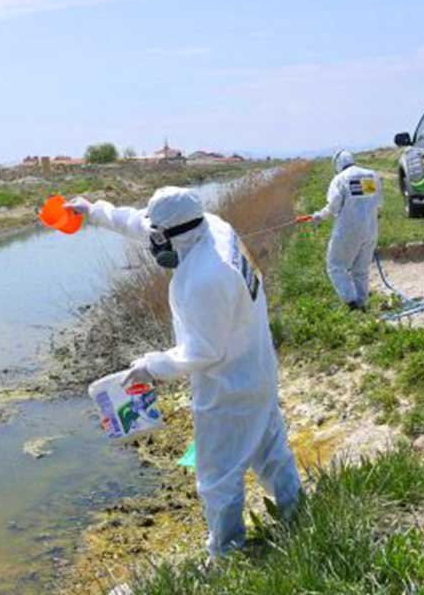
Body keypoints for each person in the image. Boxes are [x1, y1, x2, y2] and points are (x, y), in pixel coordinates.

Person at [65, 187, 302, 559]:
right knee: (271, 450)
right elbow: (139, 222)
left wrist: (149, 366)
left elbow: (204, 352)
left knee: (218, 477)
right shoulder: (208, 225)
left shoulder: (207, 276)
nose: (153, 244)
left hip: (230, 388)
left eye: (159, 239)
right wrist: (93, 211)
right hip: (257, 363)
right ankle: (297, 518)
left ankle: (227, 554)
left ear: (174, 234)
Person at [308, 150, 383, 310]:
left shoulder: (340, 179)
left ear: (337, 164)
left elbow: (334, 206)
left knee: (335, 265)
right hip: (371, 229)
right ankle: (362, 302)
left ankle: (351, 302)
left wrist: (319, 216)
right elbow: (378, 202)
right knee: (361, 270)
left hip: (348, 230)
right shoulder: (371, 175)